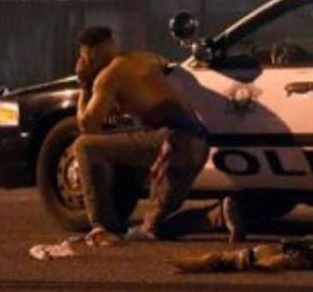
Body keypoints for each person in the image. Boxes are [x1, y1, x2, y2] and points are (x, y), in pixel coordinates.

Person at [71, 27, 240, 244]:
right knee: (154, 227)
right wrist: (122, 99)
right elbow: (163, 66)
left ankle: (102, 227)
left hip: (173, 143)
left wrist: (84, 84)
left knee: (85, 146)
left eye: (82, 56)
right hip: (197, 141)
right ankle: (218, 215)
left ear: (89, 55)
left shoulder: (107, 77)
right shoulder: (144, 58)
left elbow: (88, 127)